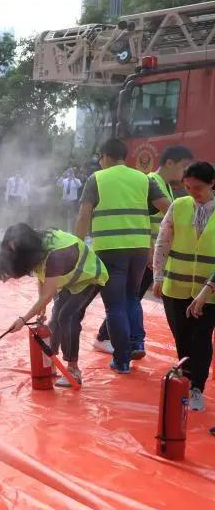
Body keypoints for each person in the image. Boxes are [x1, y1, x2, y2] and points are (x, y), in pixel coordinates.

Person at [75, 138, 170, 374]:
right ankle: (137, 342)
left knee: (114, 305)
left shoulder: (96, 178)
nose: (99, 162)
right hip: (138, 248)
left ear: (105, 156)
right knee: (131, 298)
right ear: (124, 157)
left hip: (109, 249)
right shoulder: (143, 178)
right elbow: (168, 206)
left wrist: (77, 247)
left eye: (99, 158)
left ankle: (122, 359)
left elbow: (84, 215)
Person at [93, 145, 193, 355]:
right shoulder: (152, 182)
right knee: (130, 297)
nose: (184, 172)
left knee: (131, 297)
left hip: (153, 254)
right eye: (183, 166)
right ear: (169, 163)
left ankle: (121, 339)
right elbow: (143, 219)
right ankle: (115, 339)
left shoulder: (163, 186)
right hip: (147, 253)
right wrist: (149, 250)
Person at [0, 223, 108, 387]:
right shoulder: (36, 246)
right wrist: (41, 306)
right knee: (54, 321)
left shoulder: (56, 255)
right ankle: (51, 362)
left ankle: (73, 370)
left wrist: (23, 319)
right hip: (70, 279)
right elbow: (41, 274)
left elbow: (48, 294)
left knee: (67, 317)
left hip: (89, 277)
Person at [153, 161, 215, 412]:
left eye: (197, 187)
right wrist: (158, 276)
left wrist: (206, 291)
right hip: (176, 287)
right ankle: (186, 378)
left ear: (212, 183)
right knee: (182, 336)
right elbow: (163, 241)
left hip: (210, 294)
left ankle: (196, 387)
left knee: (201, 338)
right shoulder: (178, 206)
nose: (192, 193)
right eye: (187, 187)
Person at [58, 168, 82, 232]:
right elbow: (58, 184)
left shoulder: (77, 180)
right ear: (67, 173)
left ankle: (73, 229)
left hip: (73, 201)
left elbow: (79, 185)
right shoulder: (64, 180)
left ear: (74, 173)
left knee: (73, 216)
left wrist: (73, 178)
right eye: (69, 173)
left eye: (71, 173)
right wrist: (62, 176)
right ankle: (66, 229)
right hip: (65, 200)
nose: (70, 174)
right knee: (65, 216)